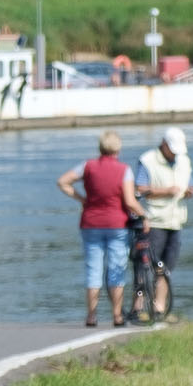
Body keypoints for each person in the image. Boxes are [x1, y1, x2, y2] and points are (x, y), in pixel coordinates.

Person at [58, 130, 139, 327]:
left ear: (100, 147)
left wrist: (82, 199)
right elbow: (129, 201)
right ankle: (117, 315)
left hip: (91, 224)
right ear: (118, 149)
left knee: (93, 269)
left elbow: (63, 182)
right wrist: (144, 214)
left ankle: (91, 316)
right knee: (116, 270)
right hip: (117, 224)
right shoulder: (124, 170)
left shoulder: (88, 166)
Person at [131, 125, 193, 322]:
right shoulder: (148, 160)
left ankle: (159, 309)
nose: (175, 154)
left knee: (167, 268)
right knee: (144, 267)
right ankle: (138, 308)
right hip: (154, 221)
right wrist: (166, 191)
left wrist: (189, 191)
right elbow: (139, 189)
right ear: (164, 144)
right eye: (172, 150)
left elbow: (189, 183)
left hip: (175, 221)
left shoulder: (184, 161)